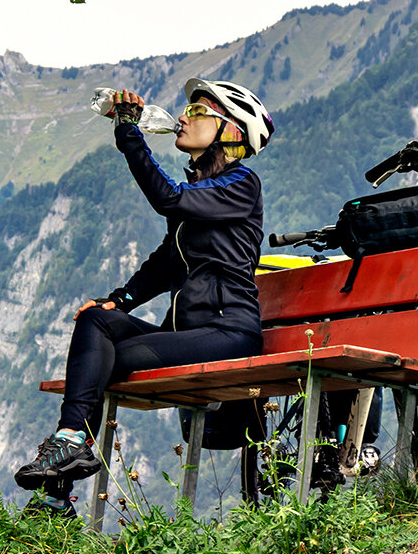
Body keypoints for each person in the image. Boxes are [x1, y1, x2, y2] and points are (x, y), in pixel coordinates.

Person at [14, 78, 274, 516]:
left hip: (229, 332)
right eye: (187, 109)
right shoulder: (202, 194)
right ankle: (69, 447)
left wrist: (129, 133)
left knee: (110, 358)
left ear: (230, 129)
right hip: (192, 334)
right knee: (95, 320)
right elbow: (168, 261)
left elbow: (167, 198)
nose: (185, 117)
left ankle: (56, 493)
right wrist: (120, 300)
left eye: (199, 112)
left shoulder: (240, 184)